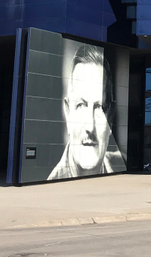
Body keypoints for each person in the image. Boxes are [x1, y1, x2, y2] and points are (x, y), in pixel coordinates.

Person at [48, 44, 126, 180]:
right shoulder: (52, 184)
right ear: (68, 114)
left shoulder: (122, 162)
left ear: (110, 118)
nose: (90, 127)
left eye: (99, 107)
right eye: (81, 105)